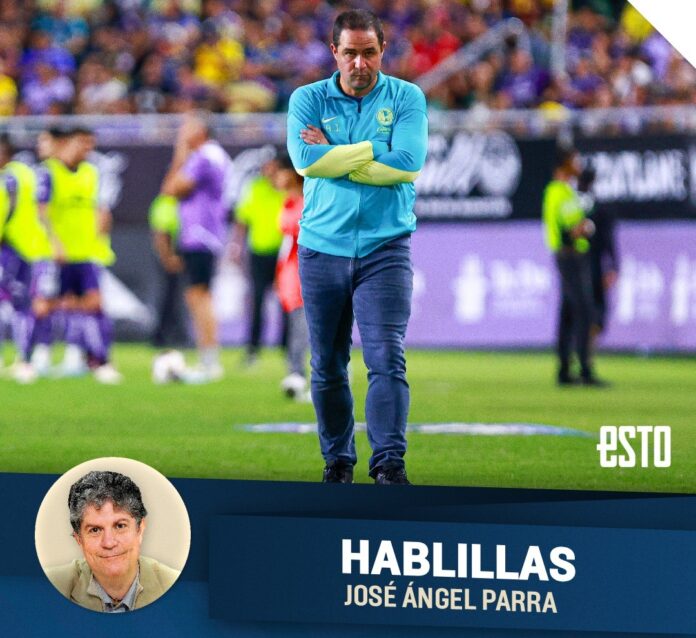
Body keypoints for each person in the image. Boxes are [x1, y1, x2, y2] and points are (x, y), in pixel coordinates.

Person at [286, 9, 428, 485]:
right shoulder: (307, 98)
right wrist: (373, 149)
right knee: (327, 365)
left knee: (386, 358)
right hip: (321, 249)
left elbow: (408, 164)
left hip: (385, 250)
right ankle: (338, 462)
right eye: (350, 53)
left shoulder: (407, 97)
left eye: (369, 52)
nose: (360, 63)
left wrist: (337, 150)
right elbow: (305, 162)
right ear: (335, 52)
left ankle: (389, 464)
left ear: (383, 50)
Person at [38, 127, 122, 383]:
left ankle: (91, 359)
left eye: (90, 144)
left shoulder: (91, 173)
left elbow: (100, 210)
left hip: (86, 253)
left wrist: (100, 238)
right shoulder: (49, 172)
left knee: (93, 305)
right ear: (66, 143)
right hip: (58, 254)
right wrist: (54, 243)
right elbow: (41, 211)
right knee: (47, 305)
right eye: (82, 142)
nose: (87, 148)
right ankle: (38, 357)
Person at [161, 111, 233, 382]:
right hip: (206, 234)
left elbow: (171, 189)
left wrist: (179, 153)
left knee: (200, 296)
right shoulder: (214, 155)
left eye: (186, 128)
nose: (181, 132)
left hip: (201, 234)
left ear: (200, 131)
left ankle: (210, 360)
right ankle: (208, 358)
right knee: (198, 295)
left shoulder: (204, 157)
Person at [45, 470, 180, 612]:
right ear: (79, 539)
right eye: (95, 530)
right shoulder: (49, 586)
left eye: (120, 526)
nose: (109, 543)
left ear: (140, 529)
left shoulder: (176, 585)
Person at [542, 148, 606, 386]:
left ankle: (564, 369)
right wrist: (585, 227)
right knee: (584, 311)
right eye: (574, 161)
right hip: (570, 257)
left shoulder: (564, 191)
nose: (578, 165)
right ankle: (585, 369)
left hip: (571, 256)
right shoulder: (557, 192)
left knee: (568, 312)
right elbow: (567, 231)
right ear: (564, 164)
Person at [0, 134, 57, 383]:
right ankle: (30, 357)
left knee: (19, 304)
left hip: (15, 247)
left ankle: (26, 360)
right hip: (33, 247)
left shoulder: (9, 177)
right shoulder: (26, 172)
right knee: (27, 304)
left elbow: (6, 211)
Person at [232, 156, 285, 366]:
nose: (268, 171)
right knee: (257, 300)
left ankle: (287, 348)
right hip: (258, 252)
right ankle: (253, 349)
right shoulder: (255, 187)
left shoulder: (287, 187)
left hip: (284, 253)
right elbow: (242, 219)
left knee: (287, 302)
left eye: (272, 167)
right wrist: (237, 245)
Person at [273, 153, 310, 401]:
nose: (276, 177)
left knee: (304, 326)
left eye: (280, 171)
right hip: (289, 274)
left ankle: (301, 375)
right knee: (295, 326)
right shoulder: (288, 202)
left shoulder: (309, 200)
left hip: (305, 273)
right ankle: (296, 373)